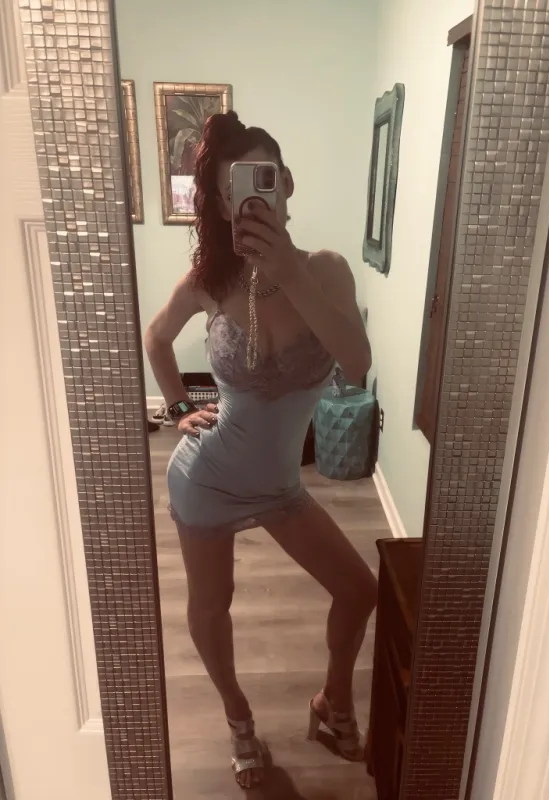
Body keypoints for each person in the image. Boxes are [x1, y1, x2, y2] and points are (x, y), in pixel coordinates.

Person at [145, 111, 377, 789]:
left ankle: (333, 701)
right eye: (231, 192)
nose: (248, 200)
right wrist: (180, 409)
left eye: (262, 179)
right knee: (211, 606)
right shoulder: (211, 281)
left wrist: (287, 270)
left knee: (359, 590)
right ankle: (239, 719)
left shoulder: (326, 272)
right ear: (221, 207)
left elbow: (357, 363)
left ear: (286, 183)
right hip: (208, 478)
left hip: (280, 489)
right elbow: (156, 338)